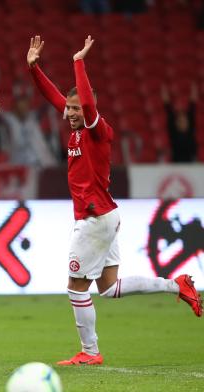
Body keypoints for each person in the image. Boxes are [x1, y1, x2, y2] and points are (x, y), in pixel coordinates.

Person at [27, 35, 202, 366]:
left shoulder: (98, 130)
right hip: (105, 217)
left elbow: (88, 106)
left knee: (76, 288)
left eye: (78, 108)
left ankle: (90, 352)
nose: (72, 113)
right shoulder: (75, 128)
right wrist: (34, 68)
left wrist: (78, 61)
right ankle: (175, 285)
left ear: (90, 107)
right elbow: (55, 97)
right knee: (107, 288)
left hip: (95, 220)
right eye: (70, 109)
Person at [0, 94, 58, 167]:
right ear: (15, 107)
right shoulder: (10, 119)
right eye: (21, 106)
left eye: (26, 105)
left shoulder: (32, 116)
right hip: (18, 161)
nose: (24, 108)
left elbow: (43, 109)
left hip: (37, 160)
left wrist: (52, 95)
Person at [161, 84, 198, 162]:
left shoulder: (191, 129)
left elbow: (193, 105)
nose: (182, 122)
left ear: (188, 122)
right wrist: (164, 90)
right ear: (176, 123)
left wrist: (194, 89)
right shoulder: (173, 132)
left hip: (192, 163)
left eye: (184, 120)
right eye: (180, 121)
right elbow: (167, 106)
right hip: (176, 163)